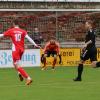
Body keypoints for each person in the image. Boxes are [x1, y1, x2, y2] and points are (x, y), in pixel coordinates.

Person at [0, 19, 40, 85]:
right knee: (15, 63)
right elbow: (29, 38)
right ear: (18, 24)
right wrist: (35, 44)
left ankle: (28, 78)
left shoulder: (11, 30)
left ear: (13, 24)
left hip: (15, 50)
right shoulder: (23, 31)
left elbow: (2, 35)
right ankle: (19, 73)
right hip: (22, 49)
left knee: (17, 65)